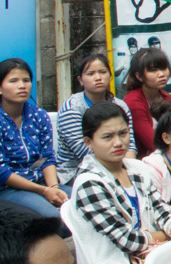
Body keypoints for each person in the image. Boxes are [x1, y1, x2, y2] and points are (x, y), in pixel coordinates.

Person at [71, 102, 171, 264]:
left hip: (148, 258)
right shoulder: (89, 184)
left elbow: (161, 210)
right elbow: (127, 240)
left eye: (123, 133)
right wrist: (167, 237)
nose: (118, 142)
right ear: (88, 142)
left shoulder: (136, 169)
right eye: (107, 137)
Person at [0, 59, 68, 218]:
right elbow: (1, 172)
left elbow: (47, 157)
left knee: (82, 204)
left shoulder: (38, 115)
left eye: (26, 80)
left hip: (42, 183)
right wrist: (44, 191)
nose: (22, 85)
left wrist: (54, 188)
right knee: (54, 217)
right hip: (7, 189)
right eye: (13, 81)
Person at [55, 54, 135, 186]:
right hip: (76, 173)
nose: (98, 78)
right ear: (80, 80)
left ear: (110, 76)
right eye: (91, 73)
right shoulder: (72, 108)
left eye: (103, 72)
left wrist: (130, 172)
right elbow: (85, 152)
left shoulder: (120, 105)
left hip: (118, 166)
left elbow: (130, 143)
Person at [122, 47, 171, 157]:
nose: (161, 74)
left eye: (164, 68)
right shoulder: (133, 102)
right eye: (153, 70)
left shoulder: (168, 98)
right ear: (139, 76)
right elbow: (152, 144)